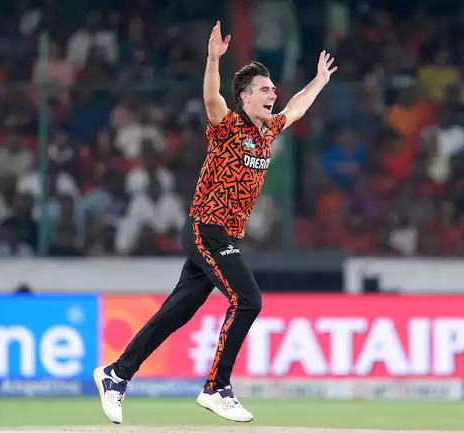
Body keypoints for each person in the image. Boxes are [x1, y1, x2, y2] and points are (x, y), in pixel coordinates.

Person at [94, 20, 337, 425]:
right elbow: (211, 97)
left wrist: (319, 82)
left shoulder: (268, 131)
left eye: (273, 89)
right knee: (248, 300)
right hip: (206, 229)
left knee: (176, 313)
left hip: (226, 237)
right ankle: (216, 388)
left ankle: (116, 374)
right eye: (264, 89)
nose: (273, 94)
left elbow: (296, 108)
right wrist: (212, 60)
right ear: (244, 97)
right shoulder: (228, 126)